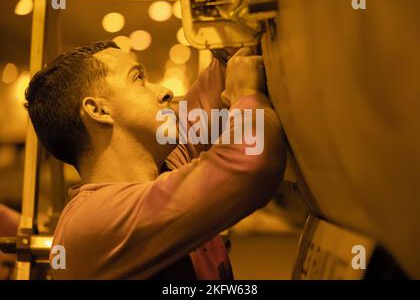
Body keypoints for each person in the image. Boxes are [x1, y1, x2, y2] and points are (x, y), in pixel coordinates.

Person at [24, 41, 286, 279]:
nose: (165, 91)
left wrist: (231, 37)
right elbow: (251, 162)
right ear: (98, 110)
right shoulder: (92, 223)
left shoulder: (166, 165)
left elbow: (215, 89)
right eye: (139, 78)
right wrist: (247, 96)